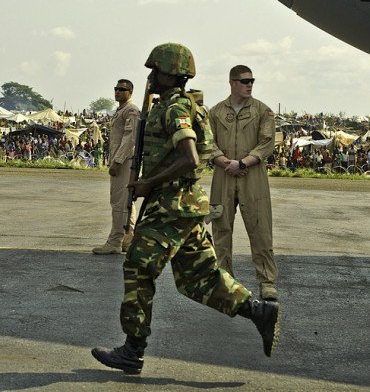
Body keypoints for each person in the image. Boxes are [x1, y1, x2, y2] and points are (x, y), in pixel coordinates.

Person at [91, 43, 280, 375]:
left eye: (156, 71)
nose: (150, 76)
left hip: (171, 205)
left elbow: (191, 156)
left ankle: (133, 350)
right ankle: (258, 311)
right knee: (199, 279)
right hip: (186, 206)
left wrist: (151, 183)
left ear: (170, 74)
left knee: (138, 266)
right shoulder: (187, 106)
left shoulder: (175, 108)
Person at [207, 65, 278, 300]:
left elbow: (267, 144)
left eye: (252, 81)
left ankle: (266, 281)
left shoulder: (263, 111)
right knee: (221, 229)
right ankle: (224, 280)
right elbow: (208, 143)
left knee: (260, 230)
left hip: (252, 175)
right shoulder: (216, 112)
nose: (249, 85)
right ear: (232, 83)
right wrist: (225, 162)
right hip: (224, 173)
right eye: (245, 81)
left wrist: (243, 163)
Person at [93, 79, 140, 255]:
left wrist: (117, 161)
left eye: (122, 89)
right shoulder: (121, 110)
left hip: (125, 162)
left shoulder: (131, 110)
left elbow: (130, 138)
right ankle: (128, 238)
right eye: (116, 89)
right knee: (126, 203)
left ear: (130, 92)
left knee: (120, 202)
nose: (118, 92)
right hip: (122, 160)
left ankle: (115, 241)